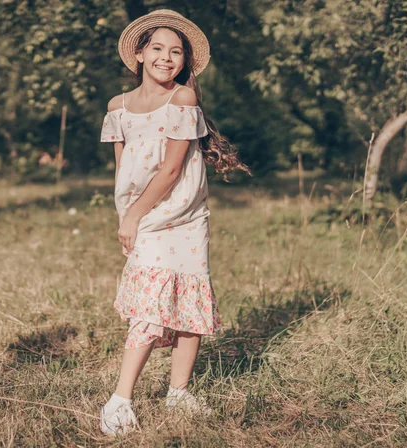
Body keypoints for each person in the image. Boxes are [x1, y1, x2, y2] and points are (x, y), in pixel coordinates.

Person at [99, 9, 251, 436]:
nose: (168, 58)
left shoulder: (182, 101)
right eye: (159, 49)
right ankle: (120, 399)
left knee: (189, 297)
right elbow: (123, 169)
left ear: (184, 62)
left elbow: (170, 170)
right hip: (144, 218)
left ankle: (178, 392)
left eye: (176, 52)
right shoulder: (118, 107)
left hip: (182, 214)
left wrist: (134, 213)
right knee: (149, 305)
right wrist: (126, 217)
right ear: (140, 54)